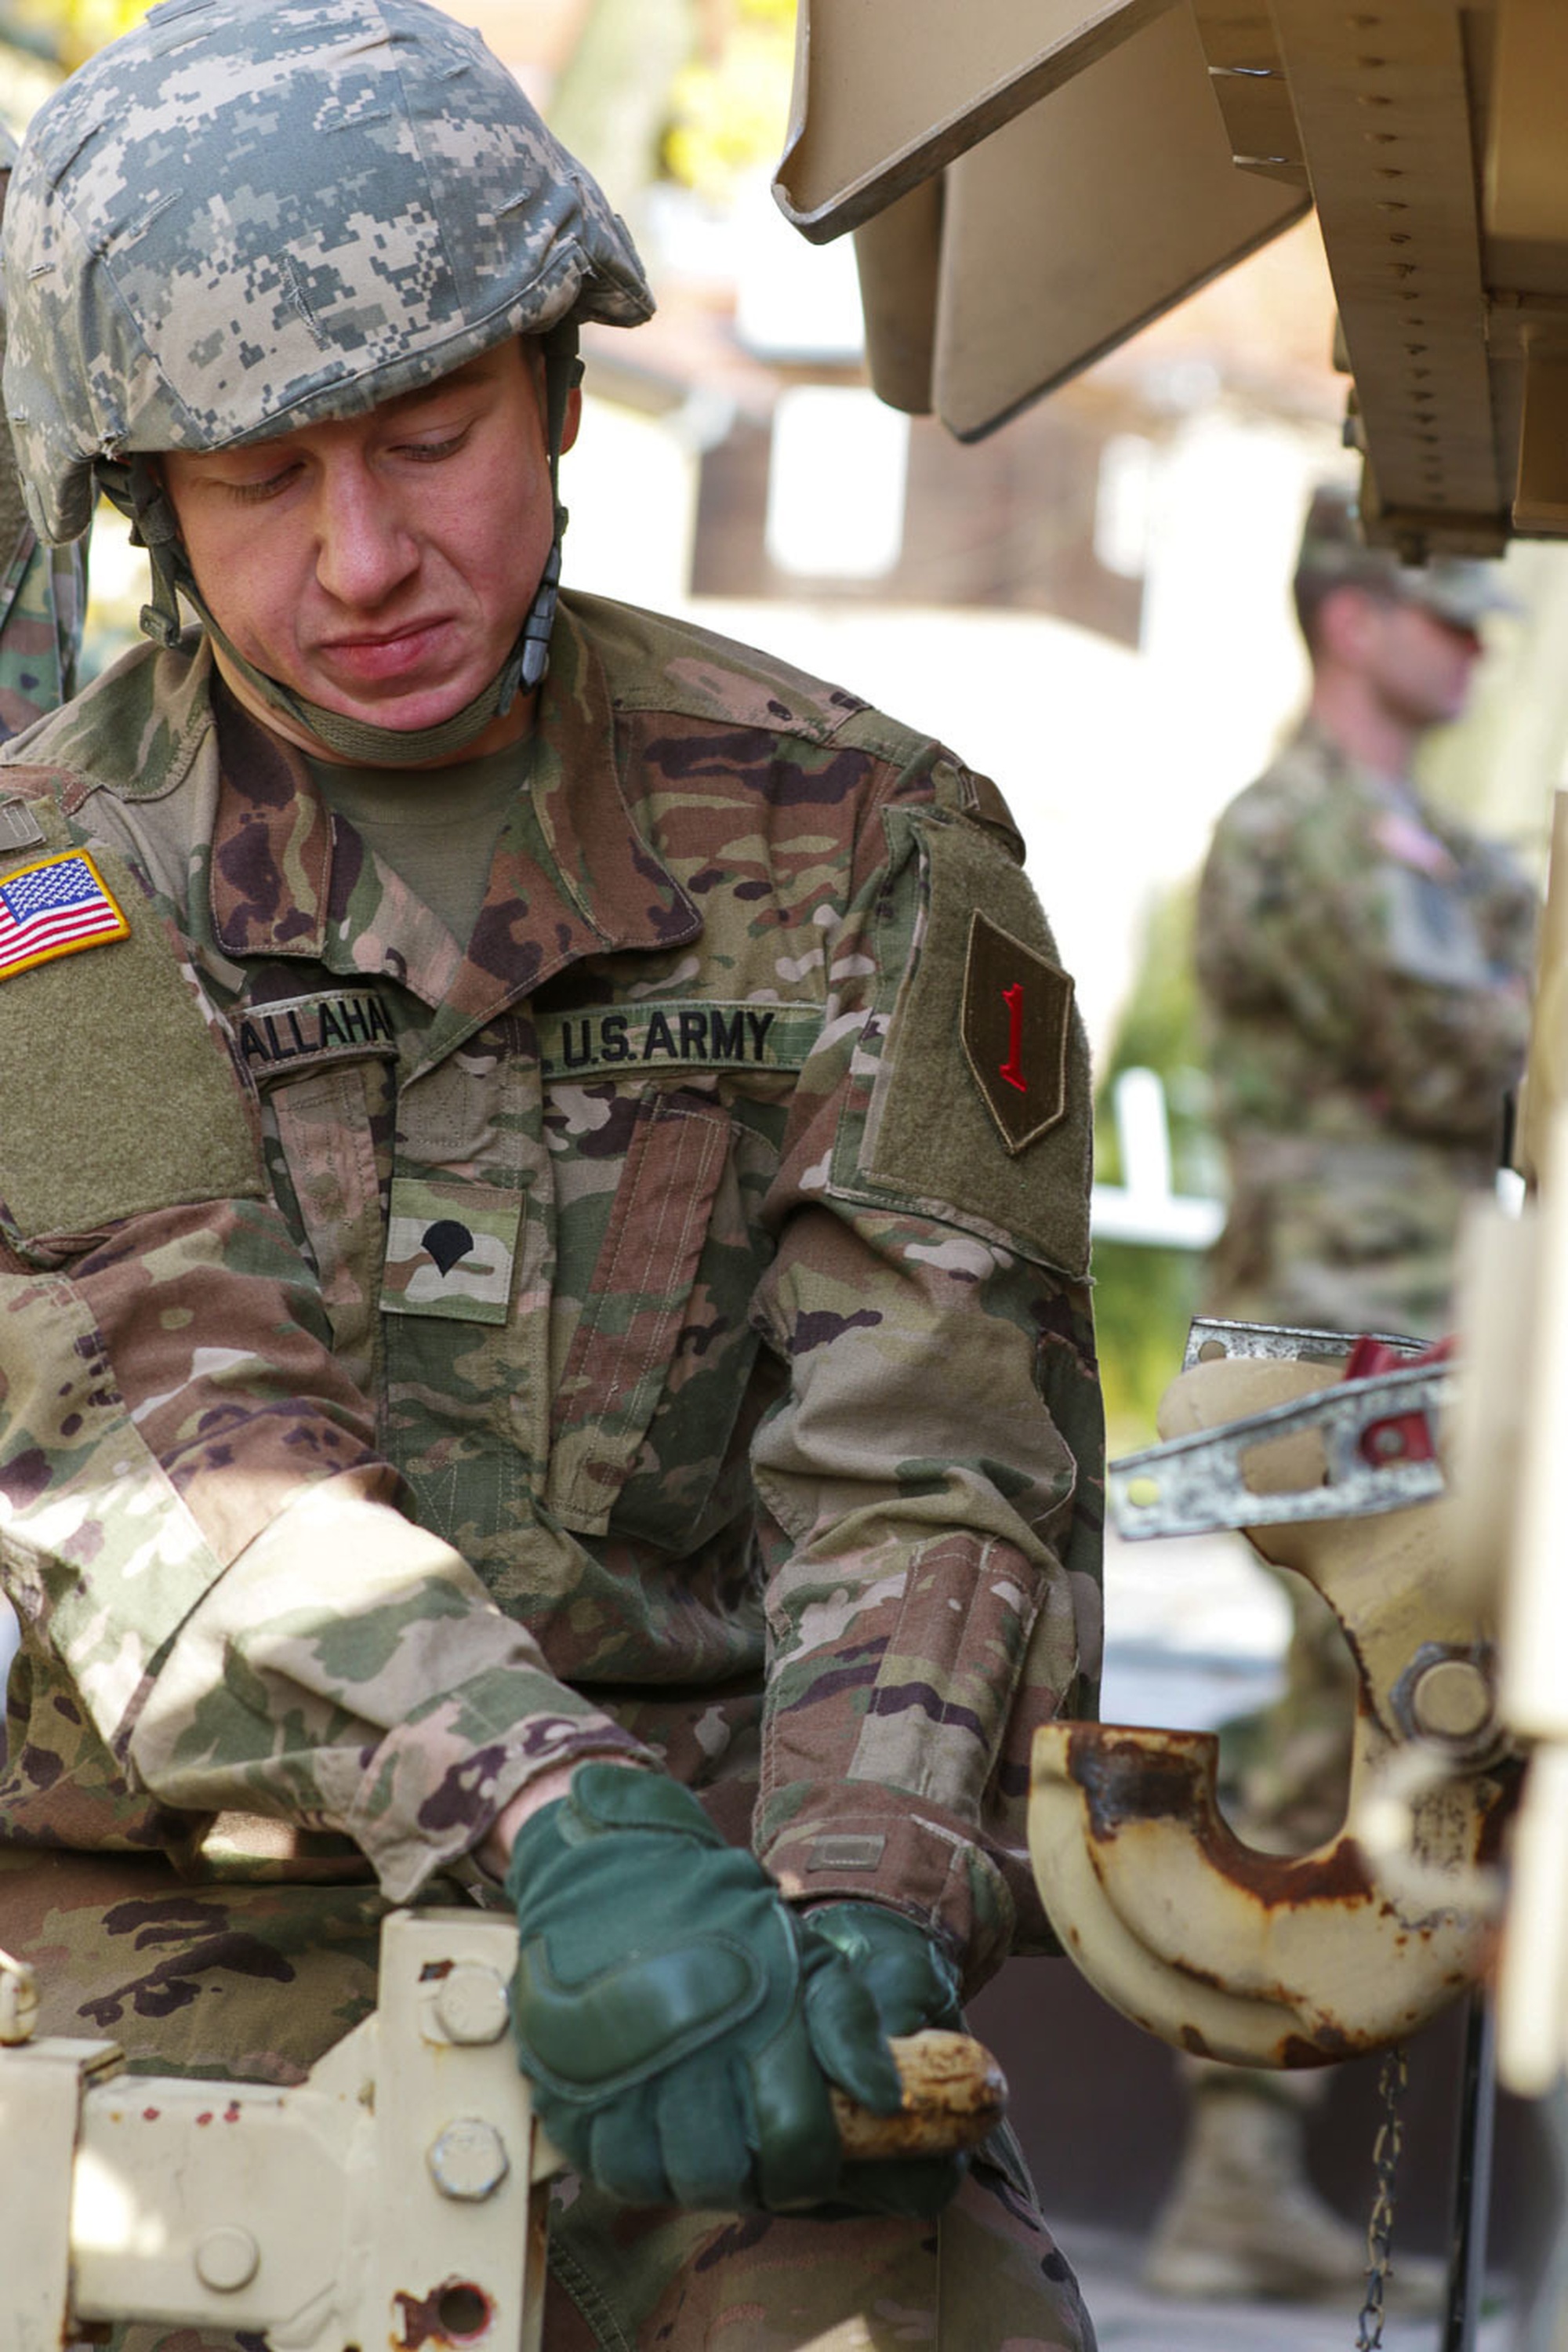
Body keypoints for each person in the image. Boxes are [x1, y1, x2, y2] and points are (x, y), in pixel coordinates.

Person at [0, 5, 1104, 2347]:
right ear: (144, 509)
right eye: (260, 479)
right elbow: (190, 1461)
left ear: (563, 397)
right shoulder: (39, 890)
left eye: (432, 439)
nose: (368, 554)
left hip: (738, 1900)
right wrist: (555, 1821)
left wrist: (861, 1910)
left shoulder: (865, 837)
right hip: (161, 1911)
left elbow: (924, 1471)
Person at [1142, 482, 1538, 2303]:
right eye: (1440, 616)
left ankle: (1241, 2171)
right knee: (1370, 1714)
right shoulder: (1303, 834)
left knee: (1373, 1715)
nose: (1468, 645)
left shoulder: (1408, 837)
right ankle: (1235, 2170)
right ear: (1348, 618)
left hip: (1405, 1344)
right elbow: (1476, 1051)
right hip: (1333, 1351)